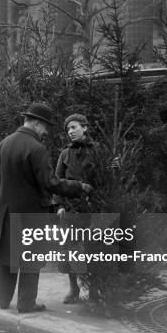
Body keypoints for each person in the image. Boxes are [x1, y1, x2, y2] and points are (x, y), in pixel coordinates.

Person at [0, 103, 92, 313]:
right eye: (45, 127)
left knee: (8, 257)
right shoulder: (36, 148)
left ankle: (3, 300)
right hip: (31, 213)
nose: (45, 132)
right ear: (37, 123)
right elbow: (50, 183)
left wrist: (2, 203)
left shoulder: (4, 144)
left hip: (6, 210)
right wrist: (78, 186)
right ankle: (26, 303)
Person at [54, 113, 101, 304]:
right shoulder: (65, 154)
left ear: (85, 127)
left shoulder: (98, 150)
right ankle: (73, 289)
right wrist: (59, 205)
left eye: (73, 127)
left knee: (94, 250)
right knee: (69, 251)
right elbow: (56, 181)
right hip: (70, 209)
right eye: (68, 129)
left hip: (92, 208)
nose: (70, 132)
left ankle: (94, 292)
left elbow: (106, 178)